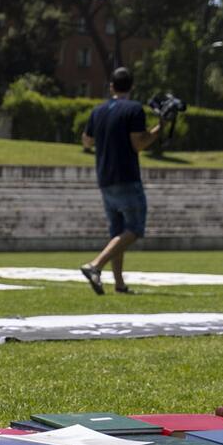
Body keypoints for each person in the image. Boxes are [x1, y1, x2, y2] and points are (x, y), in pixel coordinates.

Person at [78, 66, 164, 296]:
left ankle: (119, 284)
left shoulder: (98, 111)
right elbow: (138, 144)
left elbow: (86, 141)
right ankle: (95, 265)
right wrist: (159, 129)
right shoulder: (134, 109)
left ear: (111, 87)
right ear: (132, 87)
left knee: (118, 231)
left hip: (104, 177)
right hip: (126, 176)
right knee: (134, 229)